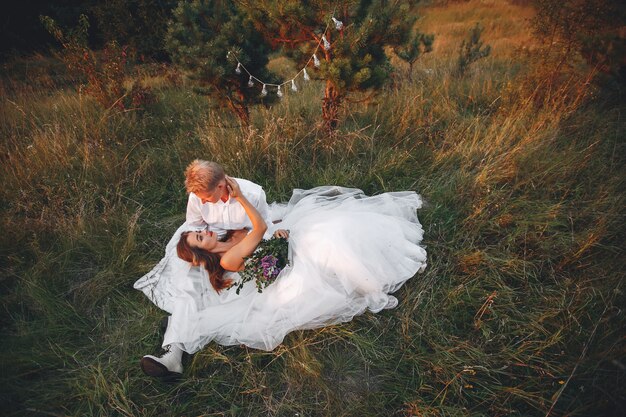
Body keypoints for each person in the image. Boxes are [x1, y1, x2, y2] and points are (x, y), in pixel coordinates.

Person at [136, 179, 428, 378]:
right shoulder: (226, 259)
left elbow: (262, 226)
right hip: (277, 264)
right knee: (323, 249)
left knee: (332, 231)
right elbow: (258, 229)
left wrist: (276, 231)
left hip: (278, 240)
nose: (206, 230)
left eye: (202, 230)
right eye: (201, 236)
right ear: (204, 251)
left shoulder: (225, 232)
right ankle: (374, 286)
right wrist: (249, 210)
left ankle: (387, 265)